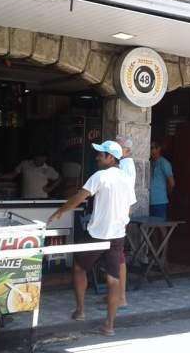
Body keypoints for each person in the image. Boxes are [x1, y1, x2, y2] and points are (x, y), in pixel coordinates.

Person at [48, 140, 134, 337]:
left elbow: (79, 197)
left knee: (79, 268)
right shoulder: (126, 179)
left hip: (97, 234)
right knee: (113, 280)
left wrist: (59, 212)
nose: (97, 157)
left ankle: (80, 311)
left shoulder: (100, 176)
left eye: (101, 154)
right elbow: (130, 207)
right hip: (117, 236)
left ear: (110, 157)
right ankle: (109, 326)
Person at [114, 134, 137, 308]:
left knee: (118, 255)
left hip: (118, 216)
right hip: (116, 215)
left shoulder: (125, 165)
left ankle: (121, 297)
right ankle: (115, 294)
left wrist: (123, 216)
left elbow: (126, 193)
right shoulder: (122, 165)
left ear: (126, 150)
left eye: (118, 145)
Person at [149, 141, 174, 220]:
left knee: (161, 225)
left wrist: (165, 194)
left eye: (153, 148)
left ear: (159, 149)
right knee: (149, 226)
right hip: (149, 201)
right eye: (150, 148)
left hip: (160, 202)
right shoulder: (149, 163)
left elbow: (172, 183)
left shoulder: (164, 163)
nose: (151, 150)